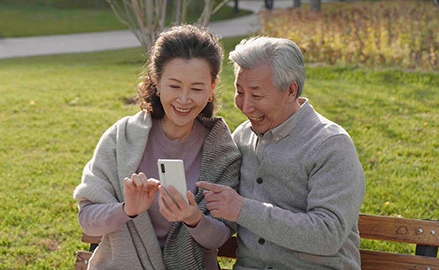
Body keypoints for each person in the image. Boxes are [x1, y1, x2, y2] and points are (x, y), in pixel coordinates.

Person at [73, 24, 241, 270]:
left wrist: (193, 218)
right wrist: (127, 210)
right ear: (156, 81)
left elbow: (219, 236)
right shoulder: (122, 138)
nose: (184, 100)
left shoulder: (222, 151)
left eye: (196, 88)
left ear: (212, 87)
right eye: (174, 86)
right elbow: (88, 221)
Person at [197, 37, 366, 269]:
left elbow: (327, 236)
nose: (246, 106)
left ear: (290, 90)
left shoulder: (330, 145)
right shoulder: (242, 138)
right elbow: (222, 217)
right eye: (239, 92)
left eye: (256, 95)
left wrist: (243, 210)